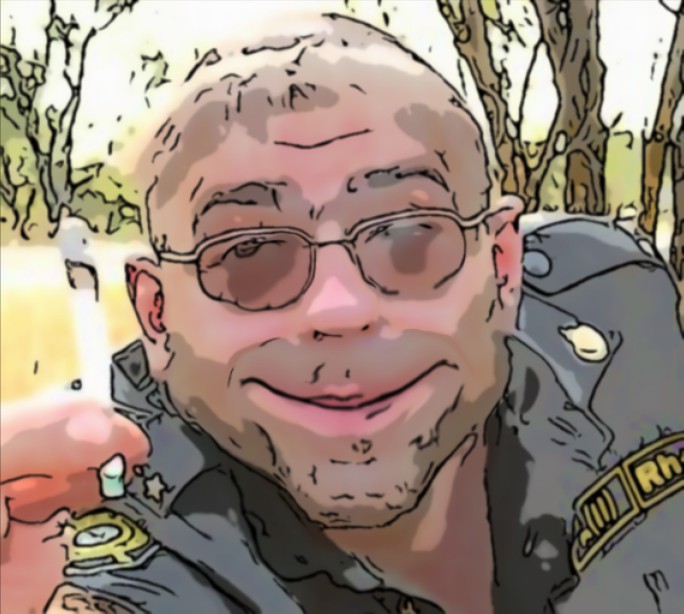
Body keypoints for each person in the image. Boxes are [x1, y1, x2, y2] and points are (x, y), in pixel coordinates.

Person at [1, 12, 682, 614]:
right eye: (250, 255)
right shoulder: (77, 534)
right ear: (157, 315)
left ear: (503, 267)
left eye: (408, 238)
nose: (339, 308)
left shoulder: (618, 298)